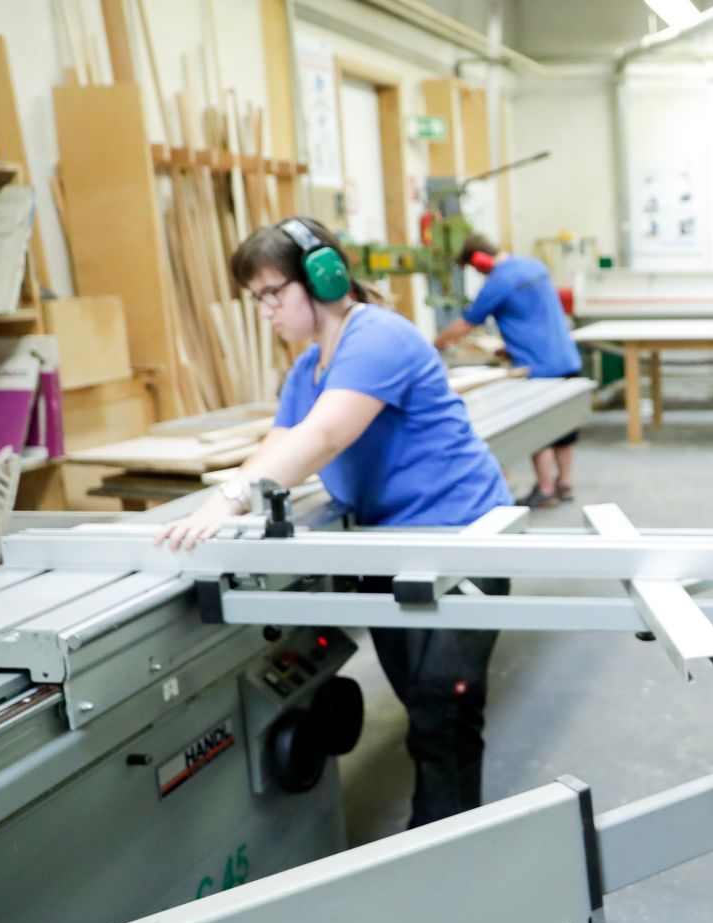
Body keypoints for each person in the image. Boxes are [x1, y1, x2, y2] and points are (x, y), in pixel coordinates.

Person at [156, 217, 514, 829]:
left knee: (442, 713)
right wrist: (217, 500)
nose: (265, 310)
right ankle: (440, 833)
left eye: (274, 293)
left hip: (461, 545)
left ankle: (448, 852)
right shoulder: (308, 370)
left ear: (323, 280)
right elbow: (278, 443)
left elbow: (323, 436)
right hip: (389, 548)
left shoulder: (377, 338)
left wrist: (234, 501)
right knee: (419, 705)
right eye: (257, 298)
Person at [435, 233, 582, 508]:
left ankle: (546, 489)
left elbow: (467, 324)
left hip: (537, 366)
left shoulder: (498, 281)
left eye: (475, 268)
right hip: (565, 357)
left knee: (539, 428)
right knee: (565, 425)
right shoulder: (535, 266)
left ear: (479, 260)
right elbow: (533, 314)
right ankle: (564, 484)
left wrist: (435, 341)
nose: (478, 274)